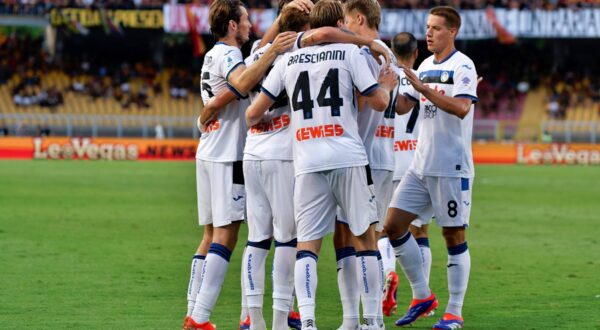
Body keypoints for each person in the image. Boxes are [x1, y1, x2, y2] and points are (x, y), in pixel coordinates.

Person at [246, 1, 397, 328]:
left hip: (307, 160)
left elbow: (252, 114)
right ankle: (371, 320)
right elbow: (379, 101)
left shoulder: (288, 59)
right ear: (341, 22)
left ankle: (310, 321)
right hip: (347, 155)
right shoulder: (351, 54)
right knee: (364, 240)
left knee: (307, 247)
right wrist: (386, 83)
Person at [183, 0, 297, 329]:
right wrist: (274, 51)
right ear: (233, 25)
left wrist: (276, 31)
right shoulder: (231, 55)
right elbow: (243, 83)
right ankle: (202, 315)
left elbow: (256, 54)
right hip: (229, 152)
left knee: (209, 236)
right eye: (246, 20)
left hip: (208, 149)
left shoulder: (212, 53)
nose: (250, 25)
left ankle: (193, 312)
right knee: (228, 236)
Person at [386, 6, 479, 329]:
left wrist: (425, 89)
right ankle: (423, 295)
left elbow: (462, 108)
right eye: (427, 27)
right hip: (420, 165)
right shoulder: (423, 65)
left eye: (436, 28)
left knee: (453, 236)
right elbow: (401, 108)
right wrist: (387, 86)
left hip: (451, 166)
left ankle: (454, 313)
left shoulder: (462, 65)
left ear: (452, 31)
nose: (429, 33)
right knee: (393, 226)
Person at [332, 0, 397, 328]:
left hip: (362, 157)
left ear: (359, 18)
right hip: (381, 153)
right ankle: (359, 319)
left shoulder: (363, 53)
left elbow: (364, 100)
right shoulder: (386, 53)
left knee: (355, 236)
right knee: (358, 234)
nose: (342, 27)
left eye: (344, 20)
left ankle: (365, 319)